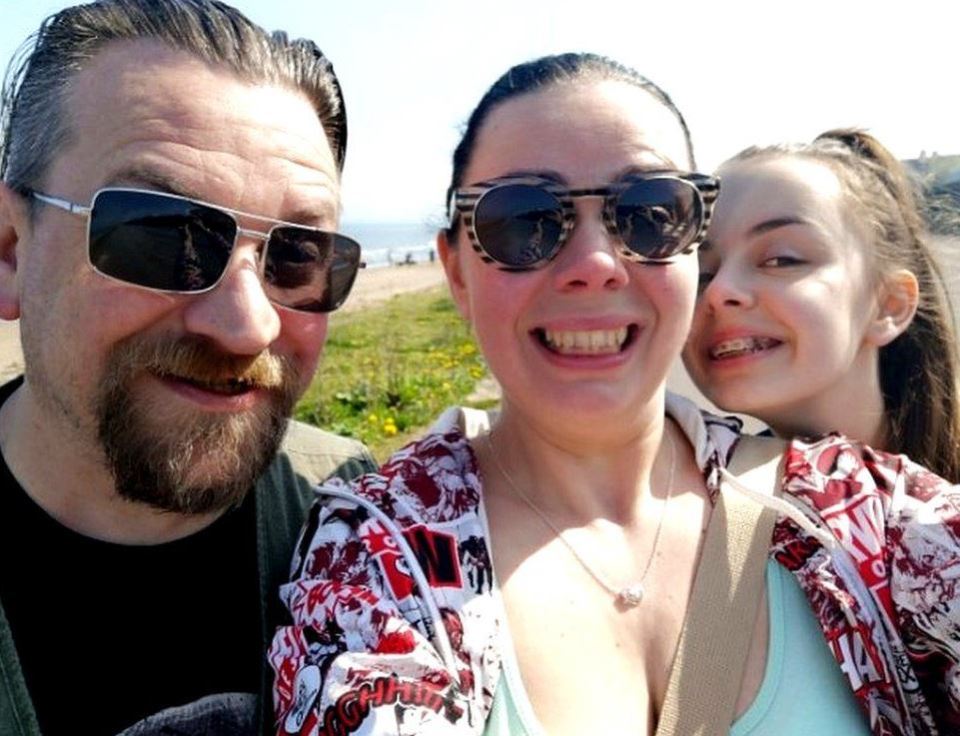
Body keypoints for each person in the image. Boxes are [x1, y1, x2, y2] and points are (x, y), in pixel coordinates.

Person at [269, 53, 960, 735]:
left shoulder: (856, 513)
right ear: (455, 270)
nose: (595, 265)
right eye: (523, 219)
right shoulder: (377, 559)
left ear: (692, 248)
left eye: (650, 212)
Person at [0, 1, 377, 734]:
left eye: (296, 255)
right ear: (10, 248)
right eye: (162, 234)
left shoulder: (353, 515)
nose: (247, 327)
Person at [683, 129, 960, 482]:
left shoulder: (939, 520)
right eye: (702, 272)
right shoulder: (694, 514)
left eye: (781, 260)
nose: (718, 290)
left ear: (889, 304)